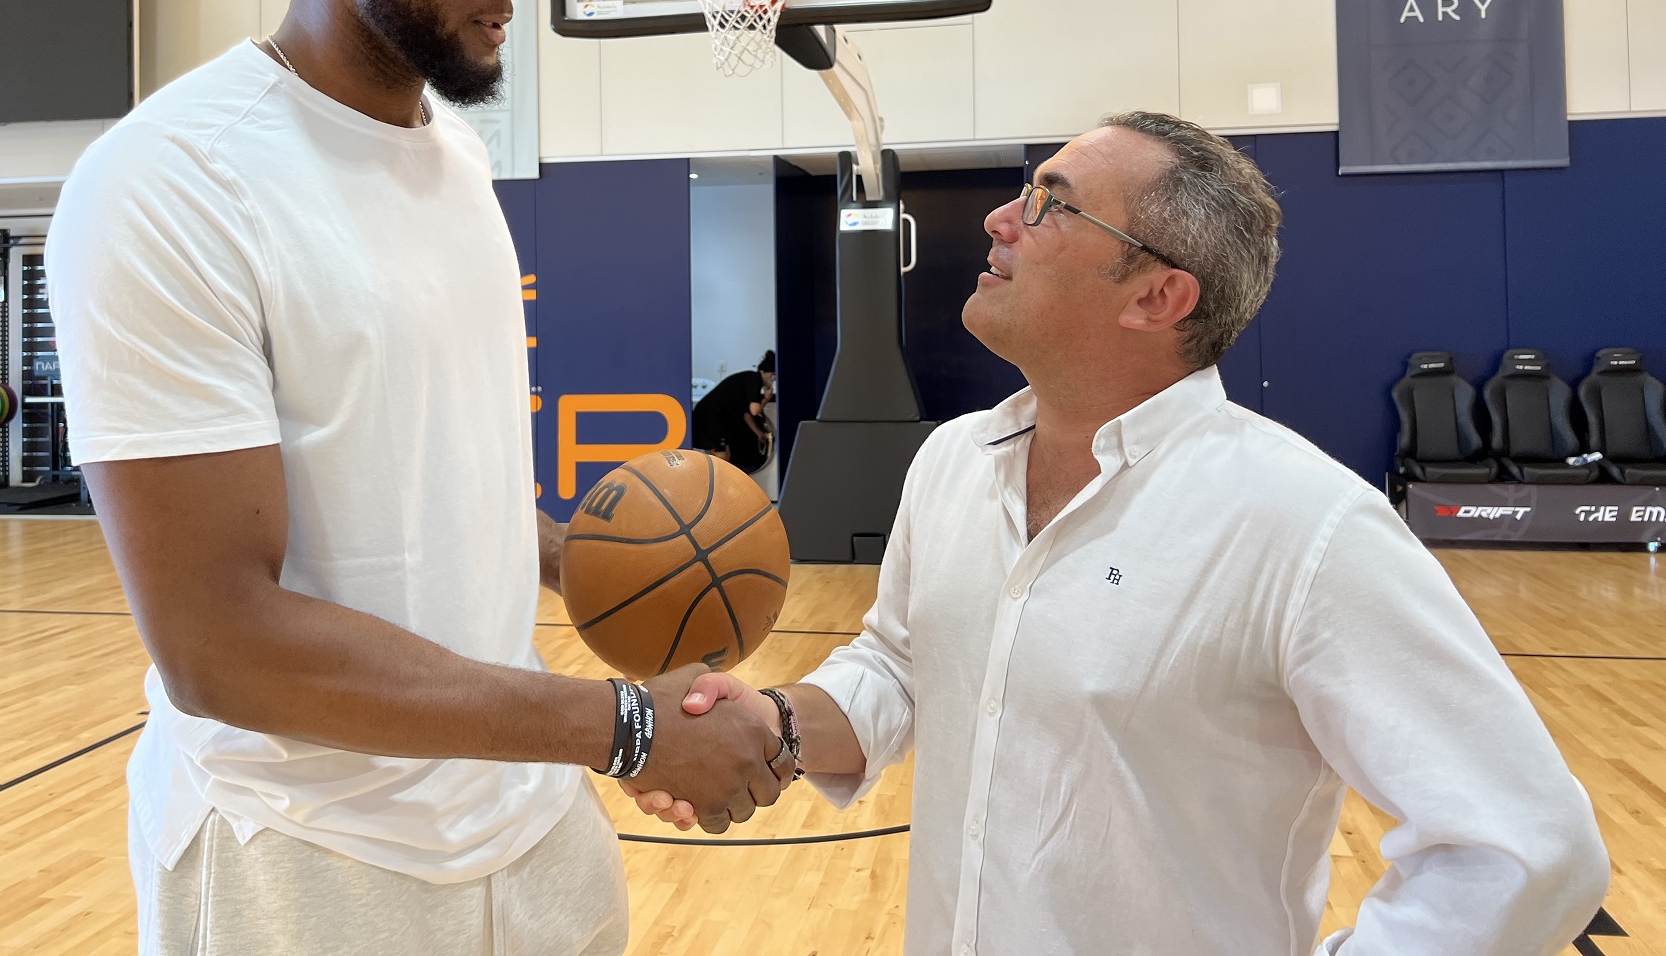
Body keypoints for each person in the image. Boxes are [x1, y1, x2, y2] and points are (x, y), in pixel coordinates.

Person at [47, 0, 790, 956]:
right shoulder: (171, 182)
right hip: (313, 857)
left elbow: (415, 476)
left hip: (528, 824)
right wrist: (620, 725)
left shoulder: (448, 151)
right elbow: (221, 645)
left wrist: (581, 555)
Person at [634, 111, 1610, 954]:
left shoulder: (1306, 525)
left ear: (1156, 296)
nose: (1000, 219)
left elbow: (1530, 846)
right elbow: (897, 665)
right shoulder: (950, 464)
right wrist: (781, 726)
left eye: (1052, 204)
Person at [691, 350, 776, 473]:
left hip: (713, 416)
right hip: (712, 417)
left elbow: (746, 414)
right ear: (767, 372)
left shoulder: (749, 379)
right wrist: (767, 398)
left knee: (726, 455)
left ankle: (719, 484)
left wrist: (759, 434)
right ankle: (716, 487)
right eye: (773, 376)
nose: (773, 380)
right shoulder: (754, 379)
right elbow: (755, 411)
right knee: (721, 457)